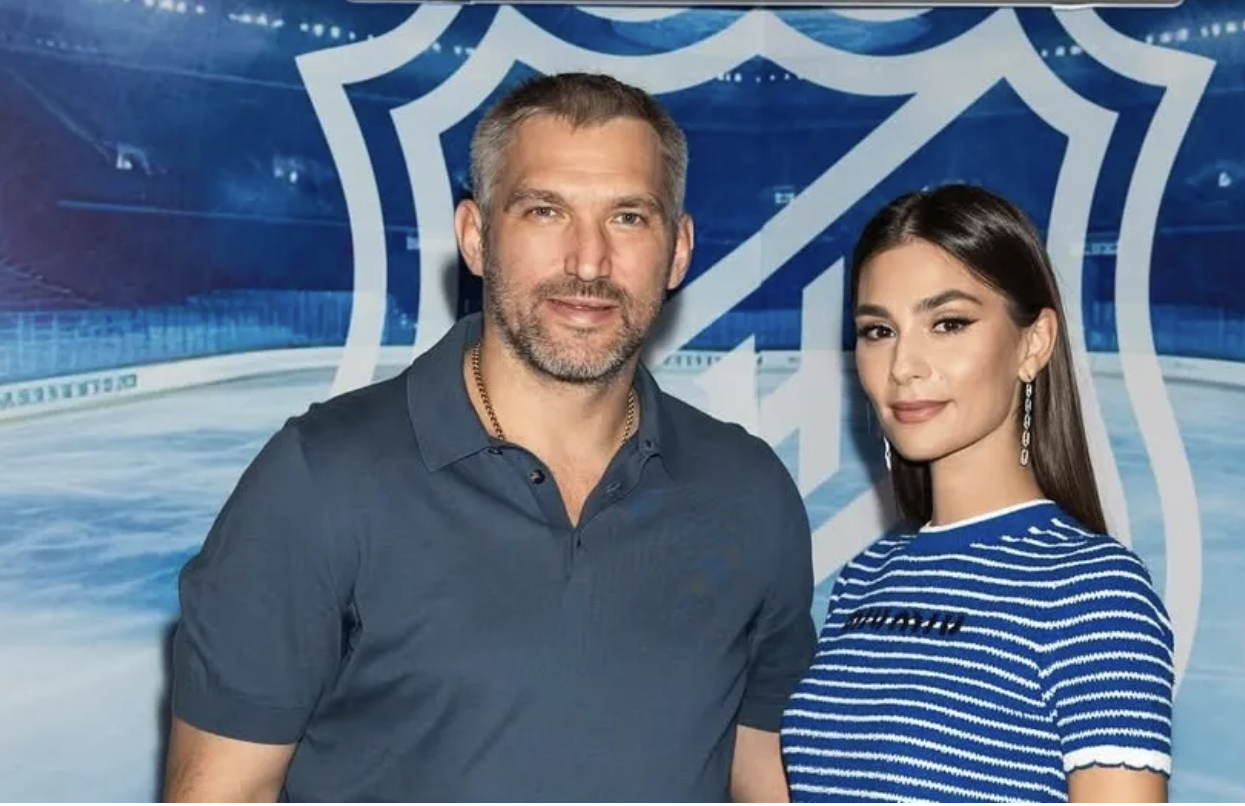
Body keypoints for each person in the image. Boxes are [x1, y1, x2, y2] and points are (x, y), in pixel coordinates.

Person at [163, 72, 816, 803]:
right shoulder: (321, 479)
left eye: (629, 217)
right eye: (545, 211)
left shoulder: (748, 491)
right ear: (475, 237)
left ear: (680, 249)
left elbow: (765, 774)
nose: (589, 261)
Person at [780, 185, 1175, 803]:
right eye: (878, 330)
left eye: (948, 324)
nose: (903, 365)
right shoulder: (862, 580)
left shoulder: (1095, 595)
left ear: (1033, 343)